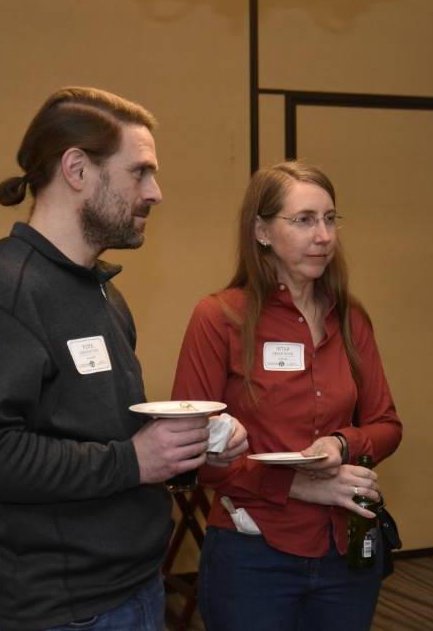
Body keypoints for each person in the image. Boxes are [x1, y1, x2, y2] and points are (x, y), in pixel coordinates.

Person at [0, 86, 247, 631]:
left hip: (133, 590)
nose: (156, 192)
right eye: (139, 172)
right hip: (50, 613)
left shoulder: (102, 294)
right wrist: (134, 460)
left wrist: (188, 449)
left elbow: (100, 435)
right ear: (77, 169)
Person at [171, 160, 403, 631]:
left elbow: (387, 426)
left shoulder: (350, 317)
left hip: (344, 549)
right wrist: (300, 485)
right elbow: (190, 449)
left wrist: (342, 444)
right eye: (303, 220)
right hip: (254, 553)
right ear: (261, 230)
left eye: (330, 219)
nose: (323, 236)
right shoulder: (219, 318)